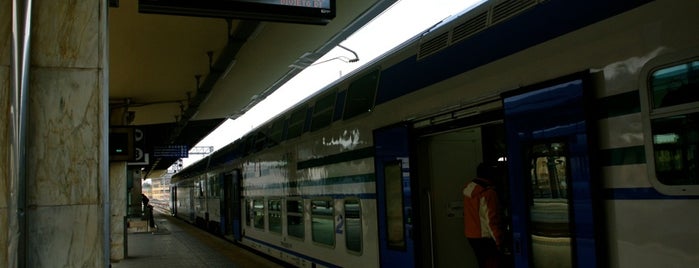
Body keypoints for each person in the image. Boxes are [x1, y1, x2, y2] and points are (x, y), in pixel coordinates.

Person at [463, 162, 504, 268]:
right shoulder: (488, 193)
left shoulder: (469, 189)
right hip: (485, 237)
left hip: (471, 235)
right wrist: (499, 240)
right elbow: (491, 220)